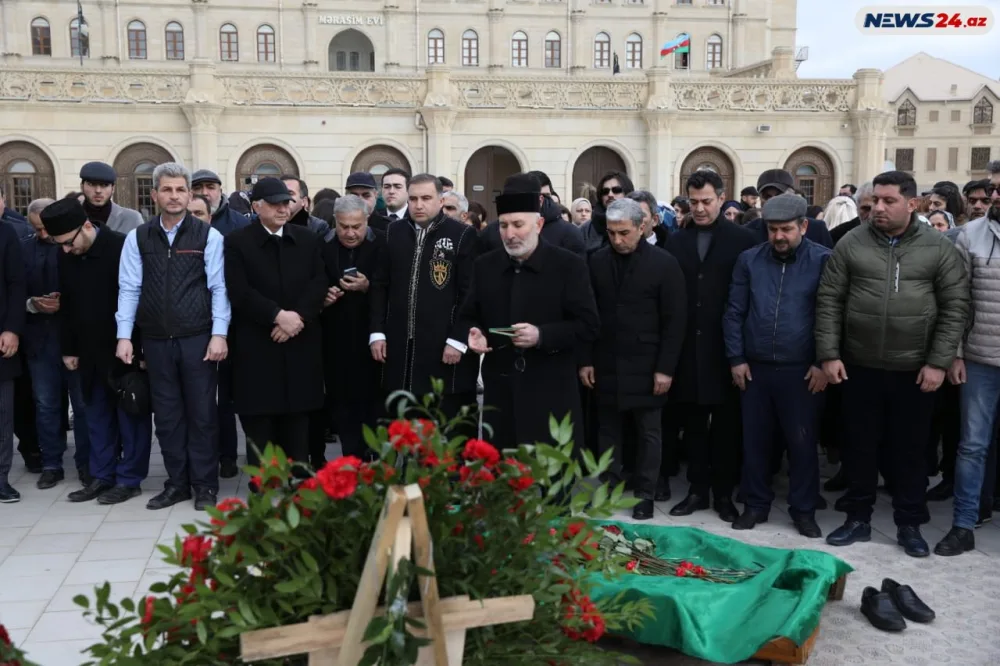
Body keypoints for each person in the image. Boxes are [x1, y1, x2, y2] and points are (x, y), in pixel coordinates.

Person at [816, 170, 969, 557]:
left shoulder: (937, 249)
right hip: (859, 366)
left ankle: (909, 524)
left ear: (912, 204)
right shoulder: (852, 242)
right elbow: (830, 301)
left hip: (915, 371)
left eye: (888, 201)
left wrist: (938, 362)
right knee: (859, 447)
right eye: (875, 201)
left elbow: (955, 308)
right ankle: (858, 519)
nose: (878, 208)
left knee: (911, 452)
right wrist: (829, 354)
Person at [116, 162, 230, 511]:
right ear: (155, 195)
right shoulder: (139, 237)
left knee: (201, 415)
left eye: (181, 189)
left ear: (189, 193)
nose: (175, 196)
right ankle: (177, 483)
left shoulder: (208, 236)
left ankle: (206, 486)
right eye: (167, 189)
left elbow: (219, 287)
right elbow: (129, 288)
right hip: (155, 340)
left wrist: (219, 334)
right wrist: (124, 336)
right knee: (166, 417)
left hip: (198, 338)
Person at [462, 173, 599, 449]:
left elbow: (588, 325)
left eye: (518, 225)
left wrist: (542, 335)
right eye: (503, 225)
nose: (509, 234)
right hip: (502, 390)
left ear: (538, 224)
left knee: (549, 480)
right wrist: (475, 333)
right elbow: (470, 314)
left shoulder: (568, 266)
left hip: (551, 388)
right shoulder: (485, 266)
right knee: (505, 477)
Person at [723, 194, 831, 537]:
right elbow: (734, 312)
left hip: (802, 370)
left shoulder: (823, 260)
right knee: (754, 441)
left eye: (786, 229)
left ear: (803, 226)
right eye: (772, 230)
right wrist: (736, 358)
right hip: (755, 368)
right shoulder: (749, 261)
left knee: (802, 442)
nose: (779, 237)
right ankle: (755, 504)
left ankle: (803, 509)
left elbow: (831, 316)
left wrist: (821, 362)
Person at [41, 197, 152, 504]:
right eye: (59, 244)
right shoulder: (65, 255)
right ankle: (102, 476)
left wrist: (141, 350)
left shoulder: (122, 247)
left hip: (124, 351)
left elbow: (140, 299)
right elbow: (69, 306)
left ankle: (130, 479)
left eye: (67, 242)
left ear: (86, 227)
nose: (64, 249)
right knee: (96, 419)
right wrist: (69, 349)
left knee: (131, 417)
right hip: (88, 354)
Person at [580, 198, 686, 519]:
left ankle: (644, 493)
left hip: (648, 364)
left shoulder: (664, 264)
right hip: (606, 361)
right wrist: (585, 360)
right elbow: (587, 316)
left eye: (624, 233)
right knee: (608, 431)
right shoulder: (596, 261)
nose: (617, 240)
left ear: (643, 227)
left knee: (648, 432)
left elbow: (675, 321)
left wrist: (665, 369)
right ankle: (609, 488)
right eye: (611, 233)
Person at [663, 170, 757, 523]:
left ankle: (723, 494)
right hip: (688, 349)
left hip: (728, 349)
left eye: (706, 201)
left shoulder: (743, 240)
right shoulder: (677, 241)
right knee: (695, 425)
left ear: (721, 198)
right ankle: (696, 490)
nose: (699, 209)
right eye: (693, 202)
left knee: (728, 427)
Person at [224, 178, 327, 474]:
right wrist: (276, 315)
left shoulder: (307, 239)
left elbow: (319, 282)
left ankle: (299, 485)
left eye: (287, 202)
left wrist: (297, 318)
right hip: (258, 343)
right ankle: (263, 488)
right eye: (276, 203)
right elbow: (239, 290)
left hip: (299, 343)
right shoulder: (237, 241)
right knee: (259, 424)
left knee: (298, 422)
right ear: (257, 207)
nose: (284, 208)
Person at [370, 174, 479, 422]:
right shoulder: (392, 233)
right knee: (402, 420)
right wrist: (377, 331)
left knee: (442, 418)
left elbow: (470, 292)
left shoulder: (461, 235)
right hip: (398, 343)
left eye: (426, 198)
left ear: (440, 201)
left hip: (442, 343)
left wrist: (457, 339)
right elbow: (380, 285)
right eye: (413, 199)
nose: (419, 205)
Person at [936, 160, 1000, 556]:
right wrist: (955, 353)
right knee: (972, 445)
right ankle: (963, 525)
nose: (993, 196)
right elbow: (956, 301)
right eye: (994, 188)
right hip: (978, 359)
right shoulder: (970, 236)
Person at [21, 198, 91, 490]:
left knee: (83, 404)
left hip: (73, 339)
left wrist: (64, 303)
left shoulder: (76, 248)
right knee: (46, 404)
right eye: (36, 230)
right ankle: (52, 463)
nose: (43, 236)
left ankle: (87, 463)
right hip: (39, 340)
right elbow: (15, 290)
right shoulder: (24, 250)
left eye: (45, 229)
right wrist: (33, 304)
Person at [191, 169, 248, 480]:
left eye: (210, 187)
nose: (205, 191)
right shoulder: (181, 223)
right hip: (192, 323)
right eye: (198, 187)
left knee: (223, 396)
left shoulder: (238, 223)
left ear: (220, 190)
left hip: (228, 324)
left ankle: (227, 455)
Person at [321, 195, 385, 460]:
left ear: (366, 221)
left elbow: (392, 287)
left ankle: (378, 457)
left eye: (356, 226)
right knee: (343, 403)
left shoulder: (383, 243)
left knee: (375, 403)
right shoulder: (321, 244)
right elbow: (310, 280)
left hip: (373, 336)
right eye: (344, 226)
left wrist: (368, 287)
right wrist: (322, 296)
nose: (350, 233)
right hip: (335, 338)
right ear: (335, 222)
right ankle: (352, 459)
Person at [478, 172, 584, 257]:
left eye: (546, 195)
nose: (510, 235)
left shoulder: (569, 233)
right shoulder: (490, 234)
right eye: (504, 226)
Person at [0, 207, 25, 502]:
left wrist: (12, 329)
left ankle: (1, 478)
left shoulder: (6, 233)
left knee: (3, 414)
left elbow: (17, 284)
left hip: (2, 338)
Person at [744, 170, 833, 248]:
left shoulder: (817, 229)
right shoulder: (747, 231)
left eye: (779, 195)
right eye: (767, 196)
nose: (773, 201)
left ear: (793, 196)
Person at [78, 162, 144, 233]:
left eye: (104, 185)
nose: (98, 190)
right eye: (92, 184)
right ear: (82, 186)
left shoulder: (132, 219)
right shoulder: (69, 216)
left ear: (113, 189)